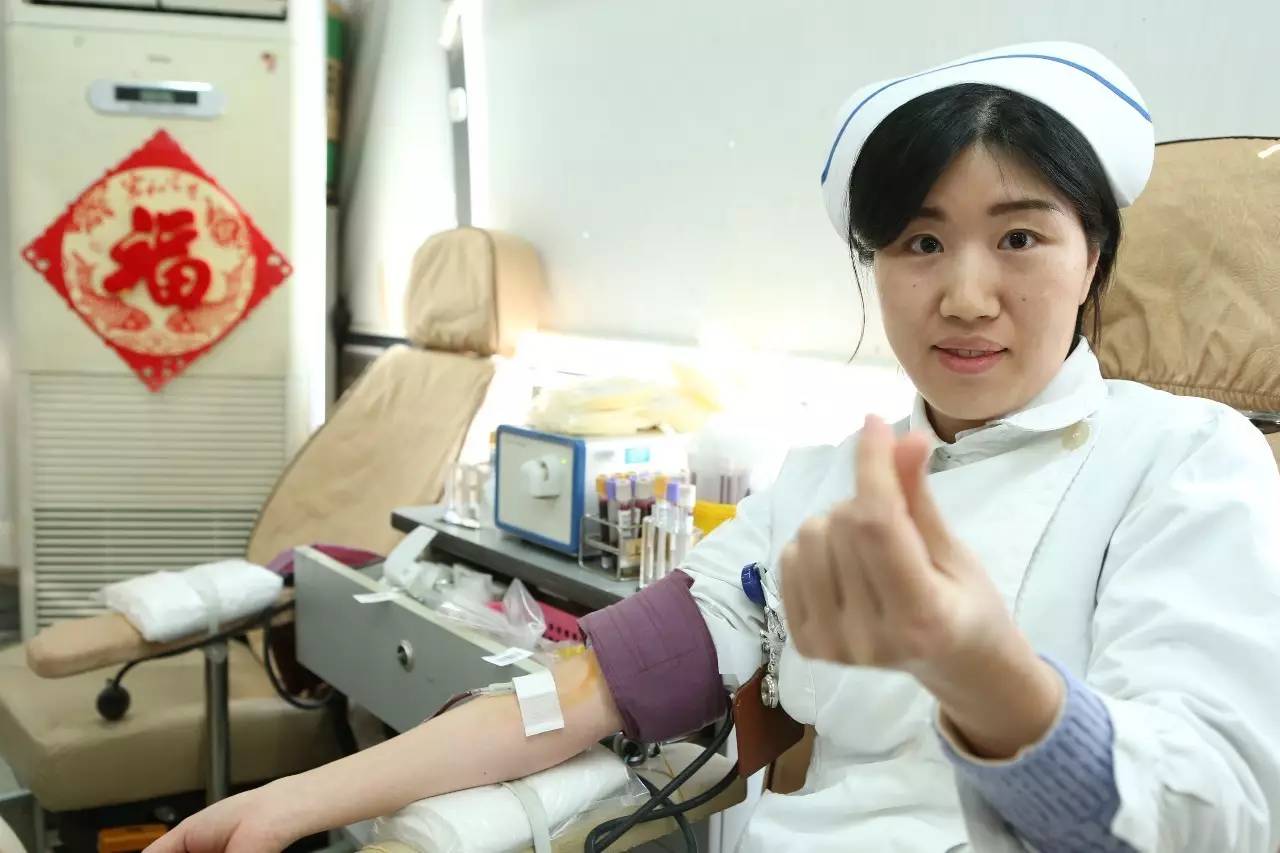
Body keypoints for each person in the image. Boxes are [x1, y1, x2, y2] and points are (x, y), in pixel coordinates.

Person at [146, 42, 1280, 853]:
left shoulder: (1186, 460)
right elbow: (587, 688)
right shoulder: (823, 480)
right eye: (919, 242)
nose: (966, 295)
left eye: (1020, 236)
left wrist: (985, 674)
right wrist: (290, 803)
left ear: (1093, 255)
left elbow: (1210, 816)